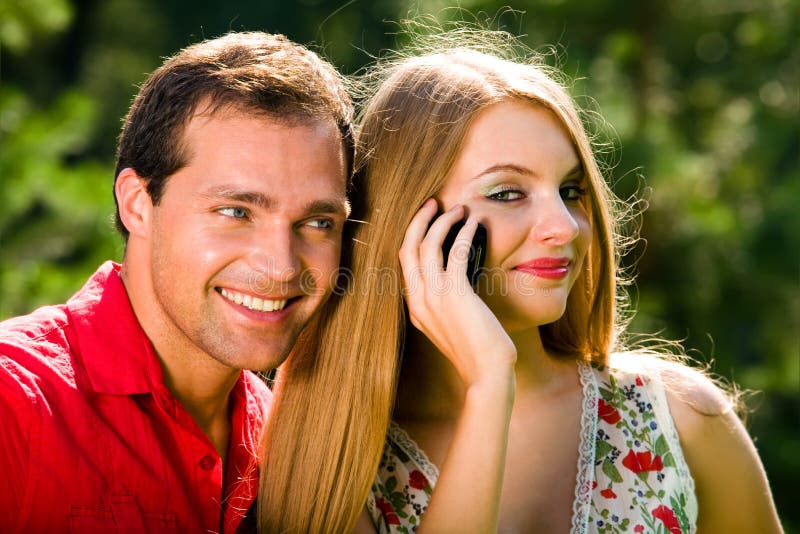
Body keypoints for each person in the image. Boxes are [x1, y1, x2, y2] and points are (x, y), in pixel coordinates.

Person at [257, 30, 783, 532]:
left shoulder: (681, 419)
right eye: (508, 193)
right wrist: (490, 383)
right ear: (408, 222)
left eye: (571, 190)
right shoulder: (334, 462)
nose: (565, 226)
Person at [0, 31, 353, 533]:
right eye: (236, 211)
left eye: (318, 223)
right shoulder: (13, 404)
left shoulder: (289, 447)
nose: (281, 266)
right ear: (137, 203)